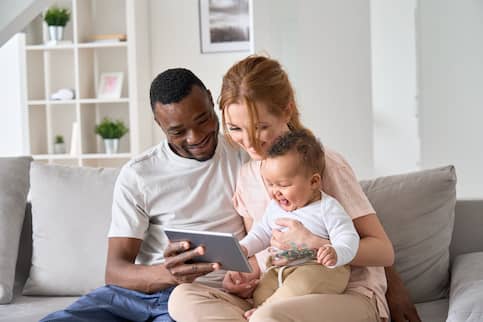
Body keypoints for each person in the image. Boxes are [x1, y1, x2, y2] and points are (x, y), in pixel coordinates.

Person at [168, 55, 419, 322]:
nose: (249, 141)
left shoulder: (324, 165)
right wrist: (244, 276)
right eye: (235, 128)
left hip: (346, 294)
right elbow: (262, 248)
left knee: (269, 317)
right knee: (183, 297)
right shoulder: (246, 176)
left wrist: (319, 245)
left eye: (260, 127)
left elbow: (383, 250)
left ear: (286, 111)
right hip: (277, 292)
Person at [40, 68, 249, 322]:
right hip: (136, 296)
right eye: (178, 132)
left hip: (199, 300)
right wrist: (168, 274)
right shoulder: (139, 174)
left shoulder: (243, 156)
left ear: (209, 98)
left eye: (203, 119)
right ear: (158, 123)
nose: (195, 137)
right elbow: (115, 270)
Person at [233, 129, 360, 318]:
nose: (275, 192)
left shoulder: (327, 208)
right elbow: (262, 233)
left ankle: (264, 312)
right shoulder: (275, 208)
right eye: (270, 184)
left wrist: (336, 251)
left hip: (320, 269)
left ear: (314, 182)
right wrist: (244, 248)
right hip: (281, 270)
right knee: (261, 291)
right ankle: (266, 307)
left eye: (283, 185)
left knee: (303, 283)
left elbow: (348, 237)